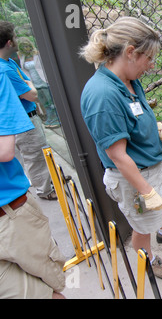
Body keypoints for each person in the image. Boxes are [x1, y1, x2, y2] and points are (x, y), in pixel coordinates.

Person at [80, 17, 162, 280]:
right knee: (142, 226)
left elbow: (132, 116)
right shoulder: (103, 94)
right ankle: (148, 261)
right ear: (130, 52)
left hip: (152, 165)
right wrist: (146, 191)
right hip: (133, 176)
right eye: (148, 58)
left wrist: (154, 125)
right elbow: (116, 154)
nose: (151, 66)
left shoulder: (128, 79)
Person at [0, 66, 66, 299]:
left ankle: (44, 188)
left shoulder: (3, 70)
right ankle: (45, 189)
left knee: (48, 291)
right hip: (9, 217)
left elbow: (4, 150)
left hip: (10, 210)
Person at [0, 21, 57, 200]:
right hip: (24, 120)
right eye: (15, 37)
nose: (17, 40)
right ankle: (44, 190)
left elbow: (28, 85)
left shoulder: (9, 63)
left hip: (28, 117)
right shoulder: (4, 70)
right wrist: (29, 86)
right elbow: (31, 94)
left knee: (38, 153)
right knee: (35, 155)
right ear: (9, 42)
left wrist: (28, 86)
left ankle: (47, 182)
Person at [17, 37, 60, 129]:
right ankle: (50, 119)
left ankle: (57, 118)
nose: (26, 48)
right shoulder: (22, 58)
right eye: (23, 47)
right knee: (44, 103)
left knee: (51, 101)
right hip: (34, 83)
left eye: (27, 46)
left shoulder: (37, 54)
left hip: (43, 80)